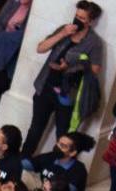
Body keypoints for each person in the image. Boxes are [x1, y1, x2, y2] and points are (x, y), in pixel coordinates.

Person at [24, 1, 105, 154]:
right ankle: (24, 158)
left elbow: (95, 69)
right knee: (35, 128)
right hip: (46, 85)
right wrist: (62, 34)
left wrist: (71, 67)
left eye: (82, 18)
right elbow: (40, 48)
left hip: (67, 93)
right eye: (76, 16)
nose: (77, 20)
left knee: (63, 134)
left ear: (91, 21)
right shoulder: (64, 29)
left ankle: (57, 167)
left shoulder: (94, 42)